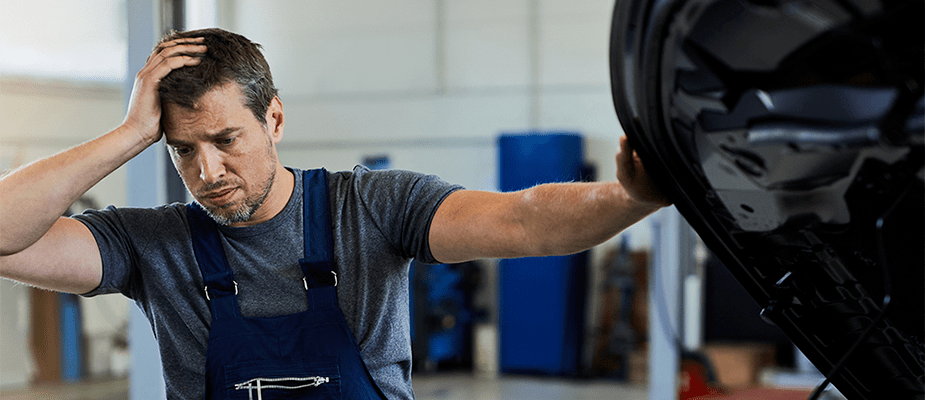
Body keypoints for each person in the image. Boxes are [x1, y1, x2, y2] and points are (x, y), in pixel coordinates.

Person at [0, 28, 669, 399]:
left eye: (226, 140)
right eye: (182, 150)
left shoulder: (372, 208)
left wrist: (631, 197)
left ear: (275, 119)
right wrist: (125, 135)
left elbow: (524, 220)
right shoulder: (149, 243)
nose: (207, 172)